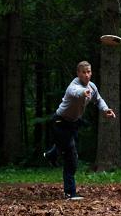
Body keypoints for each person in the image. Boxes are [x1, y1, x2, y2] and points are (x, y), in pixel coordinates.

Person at [44, 61, 116, 200]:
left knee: (64, 146)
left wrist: (105, 109)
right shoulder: (73, 86)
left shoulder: (92, 86)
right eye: (84, 72)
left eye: (89, 72)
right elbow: (76, 93)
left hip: (73, 123)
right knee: (71, 156)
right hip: (60, 122)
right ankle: (70, 192)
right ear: (78, 73)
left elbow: (98, 100)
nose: (87, 75)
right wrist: (84, 92)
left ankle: (50, 155)